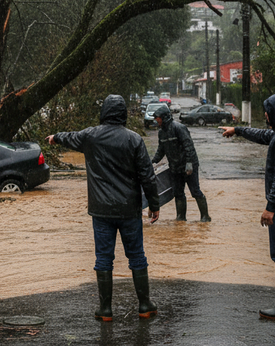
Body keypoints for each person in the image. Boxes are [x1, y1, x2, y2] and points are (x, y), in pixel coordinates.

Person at [45, 94, 160, 321]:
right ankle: (145, 305)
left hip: (101, 211)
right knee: (136, 256)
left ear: (104, 112)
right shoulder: (134, 139)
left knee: (103, 258)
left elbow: (70, 137)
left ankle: (105, 310)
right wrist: (154, 205)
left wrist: (55, 138)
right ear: (124, 114)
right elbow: (148, 176)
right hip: (129, 209)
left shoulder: (91, 136)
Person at [220, 92, 275, 320]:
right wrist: (238, 130)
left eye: (268, 110)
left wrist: (270, 207)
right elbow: (264, 135)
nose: (266, 114)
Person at [151, 104, 211, 222]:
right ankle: (181, 217)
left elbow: (189, 146)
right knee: (178, 193)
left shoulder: (179, 128)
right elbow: (161, 150)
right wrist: (152, 161)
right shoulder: (161, 133)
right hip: (175, 167)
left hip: (189, 165)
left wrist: (189, 163)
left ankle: (205, 216)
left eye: (158, 118)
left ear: (164, 117)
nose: (156, 120)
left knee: (195, 191)